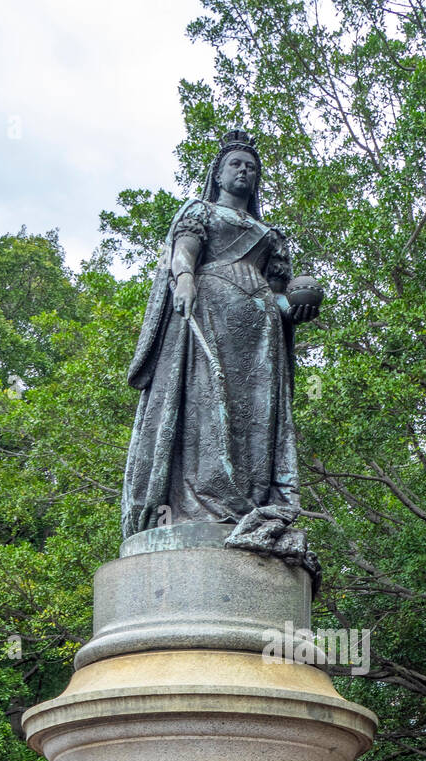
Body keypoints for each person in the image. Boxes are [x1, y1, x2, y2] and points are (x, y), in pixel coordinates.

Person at [122, 129, 319, 577]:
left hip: (262, 332)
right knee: (208, 405)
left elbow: (279, 292)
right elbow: (183, 254)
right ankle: (201, 503)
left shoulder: (270, 234)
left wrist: (298, 306)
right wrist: (185, 279)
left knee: (256, 418)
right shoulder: (201, 212)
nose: (244, 171)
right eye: (236, 164)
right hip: (210, 315)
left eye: (251, 167)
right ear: (219, 172)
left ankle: (249, 502)